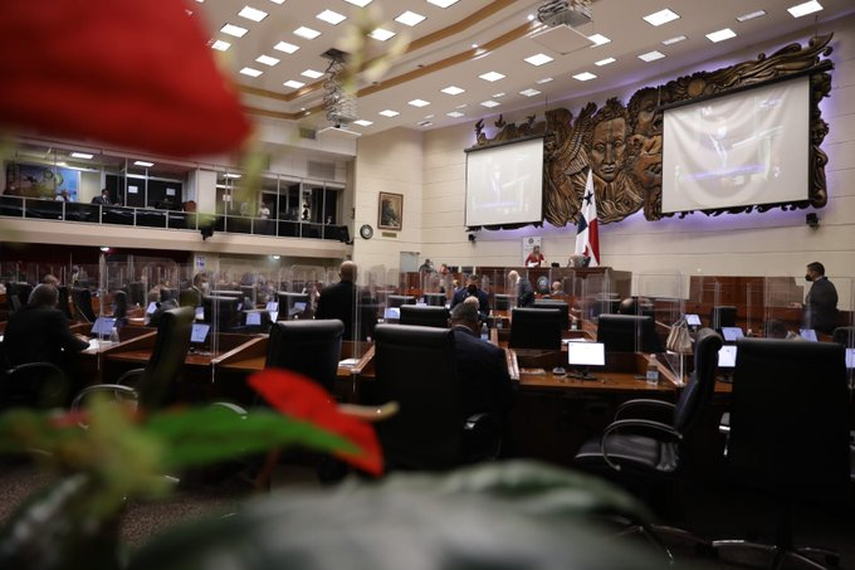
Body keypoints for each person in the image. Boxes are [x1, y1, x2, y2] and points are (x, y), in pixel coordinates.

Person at [448, 299, 515, 423]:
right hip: (474, 430)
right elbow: (508, 398)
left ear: (449, 323)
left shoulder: (430, 349)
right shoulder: (491, 353)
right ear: (478, 326)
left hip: (433, 426)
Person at [3, 284, 89, 369]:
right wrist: (84, 341)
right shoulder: (54, 315)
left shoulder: (16, 314)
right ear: (56, 301)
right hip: (41, 370)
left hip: (14, 372)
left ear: (33, 298)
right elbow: (71, 345)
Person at [315, 260, 376, 341]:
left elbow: (319, 318)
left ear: (339, 275)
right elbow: (371, 319)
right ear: (356, 276)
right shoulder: (362, 293)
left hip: (333, 340)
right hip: (356, 341)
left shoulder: (326, 292)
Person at [803, 261, 838, 334]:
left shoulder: (820, 285)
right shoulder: (826, 284)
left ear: (814, 273)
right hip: (825, 324)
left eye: (808, 272)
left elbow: (816, 307)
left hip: (818, 326)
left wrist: (803, 307)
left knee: (807, 344)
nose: (807, 274)